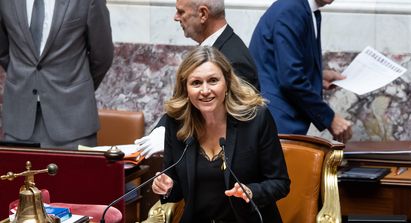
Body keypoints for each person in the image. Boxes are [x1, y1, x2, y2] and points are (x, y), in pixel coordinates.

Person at [151, 46, 290, 223]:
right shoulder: (176, 123)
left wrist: (251, 191)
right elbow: (175, 189)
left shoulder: (256, 119)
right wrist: (165, 186)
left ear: (227, 82)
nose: (205, 90)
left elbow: (280, 183)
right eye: (196, 83)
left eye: (213, 81)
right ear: (186, 88)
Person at [134, 0, 260, 158]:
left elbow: (232, 124)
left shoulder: (234, 59)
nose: (176, 17)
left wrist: (171, 138)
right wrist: (163, 129)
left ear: (203, 14)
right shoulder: (211, 48)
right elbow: (185, 103)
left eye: (181, 12)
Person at [0, 0, 114, 149]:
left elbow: (102, 56)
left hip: (73, 122)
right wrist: (26, 80)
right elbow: (3, 51)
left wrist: (75, 88)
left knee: (74, 173)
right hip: (19, 120)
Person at [249, 0, 352, 143]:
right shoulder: (291, 8)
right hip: (276, 122)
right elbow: (291, 79)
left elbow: (284, 64)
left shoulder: (306, 9)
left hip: (279, 120)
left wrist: (318, 77)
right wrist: (330, 118)